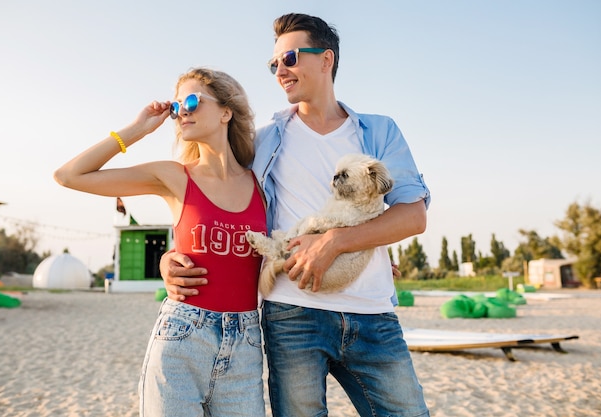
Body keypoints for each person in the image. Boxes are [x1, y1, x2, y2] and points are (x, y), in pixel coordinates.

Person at [161, 13, 431, 417]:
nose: (280, 71)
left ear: (326, 60)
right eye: (274, 64)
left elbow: (413, 216)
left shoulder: (378, 132)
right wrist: (171, 255)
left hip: (373, 314)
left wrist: (336, 242)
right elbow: (213, 196)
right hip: (291, 315)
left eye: (289, 59)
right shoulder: (264, 139)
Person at [54, 68, 267, 417]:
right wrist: (137, 129)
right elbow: (69, 175)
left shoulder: (261, 182)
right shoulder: (173, 176)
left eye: (193, 101)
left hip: (245, 343)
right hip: (183, 336)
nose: (183, 110)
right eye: (178, 105)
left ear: (226, 112)